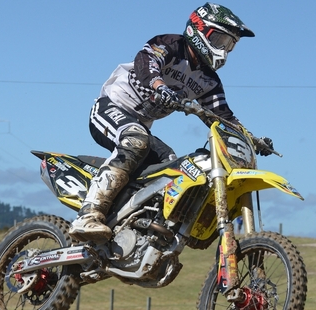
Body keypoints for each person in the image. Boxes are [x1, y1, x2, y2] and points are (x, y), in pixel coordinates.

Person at [70, 2, 274, 243]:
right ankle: (89, 213)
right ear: (200, 31)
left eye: (229, 45)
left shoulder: (209, 81)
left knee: (171, 167)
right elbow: (145, 62)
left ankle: (133, 226)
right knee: (135, 140)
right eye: (220, 40)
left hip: (140, 126)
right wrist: (160, 87)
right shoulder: (170, 45)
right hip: (111, 108)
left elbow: (223, 116)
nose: (223, 49)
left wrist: (251, 139)